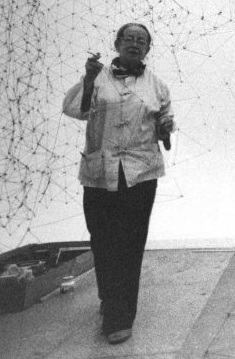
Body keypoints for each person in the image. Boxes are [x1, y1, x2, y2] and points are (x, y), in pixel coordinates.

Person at [63, 23, 174, 345]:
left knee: (129, 244)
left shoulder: (157, 86)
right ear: (117, 44)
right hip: (100, 173)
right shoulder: (98, 78)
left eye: (141, 40)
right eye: (129, 39)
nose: (135, 44)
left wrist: (165, 128)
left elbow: (163, 127)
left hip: (140, 174)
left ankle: (120, 317)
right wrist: (87, 79)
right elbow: (75, 110)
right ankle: (109, 299)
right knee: (102, 240)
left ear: (148, 49)